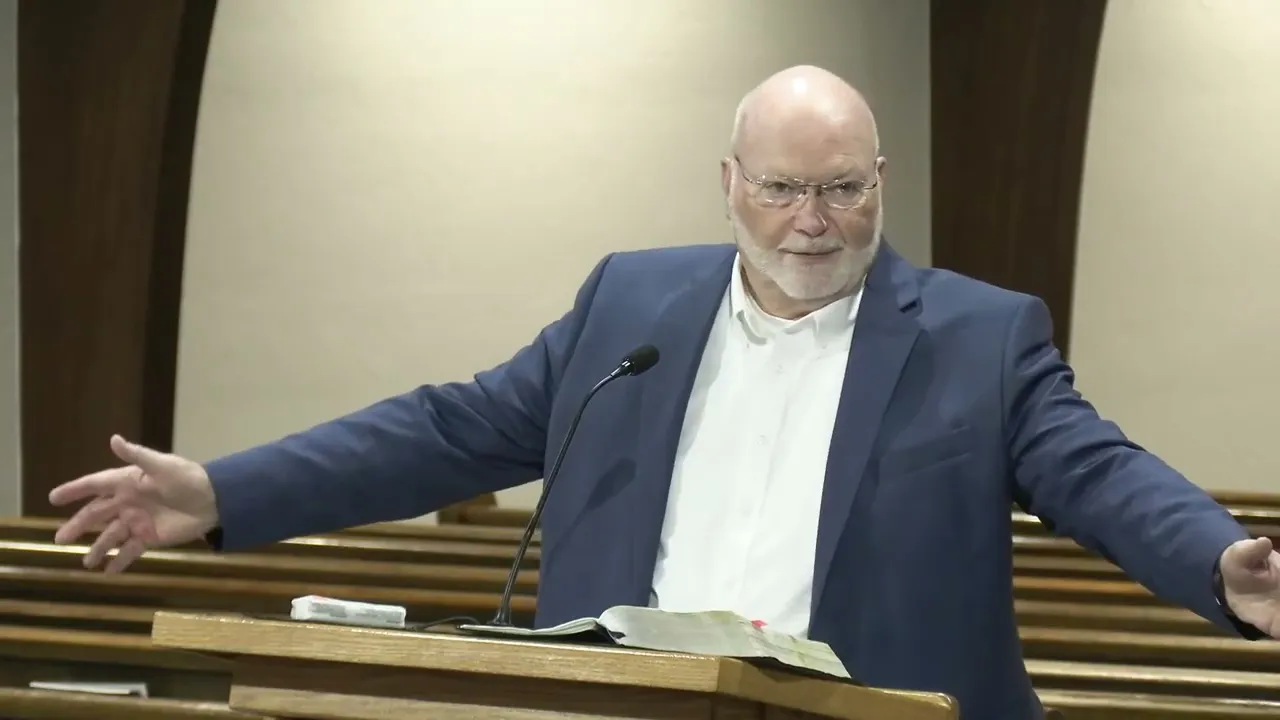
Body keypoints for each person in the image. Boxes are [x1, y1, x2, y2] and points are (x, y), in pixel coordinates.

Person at [48, 65, 1280, 719]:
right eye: (782, 190)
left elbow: (1094, 470)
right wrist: (221, 493)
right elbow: (449, 430)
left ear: (880, 181)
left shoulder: (976, 335)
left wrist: (1219, 564)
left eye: (843, 189)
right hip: (623, 711)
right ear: (728, 183)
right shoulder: (627, 305)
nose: (812, 222)